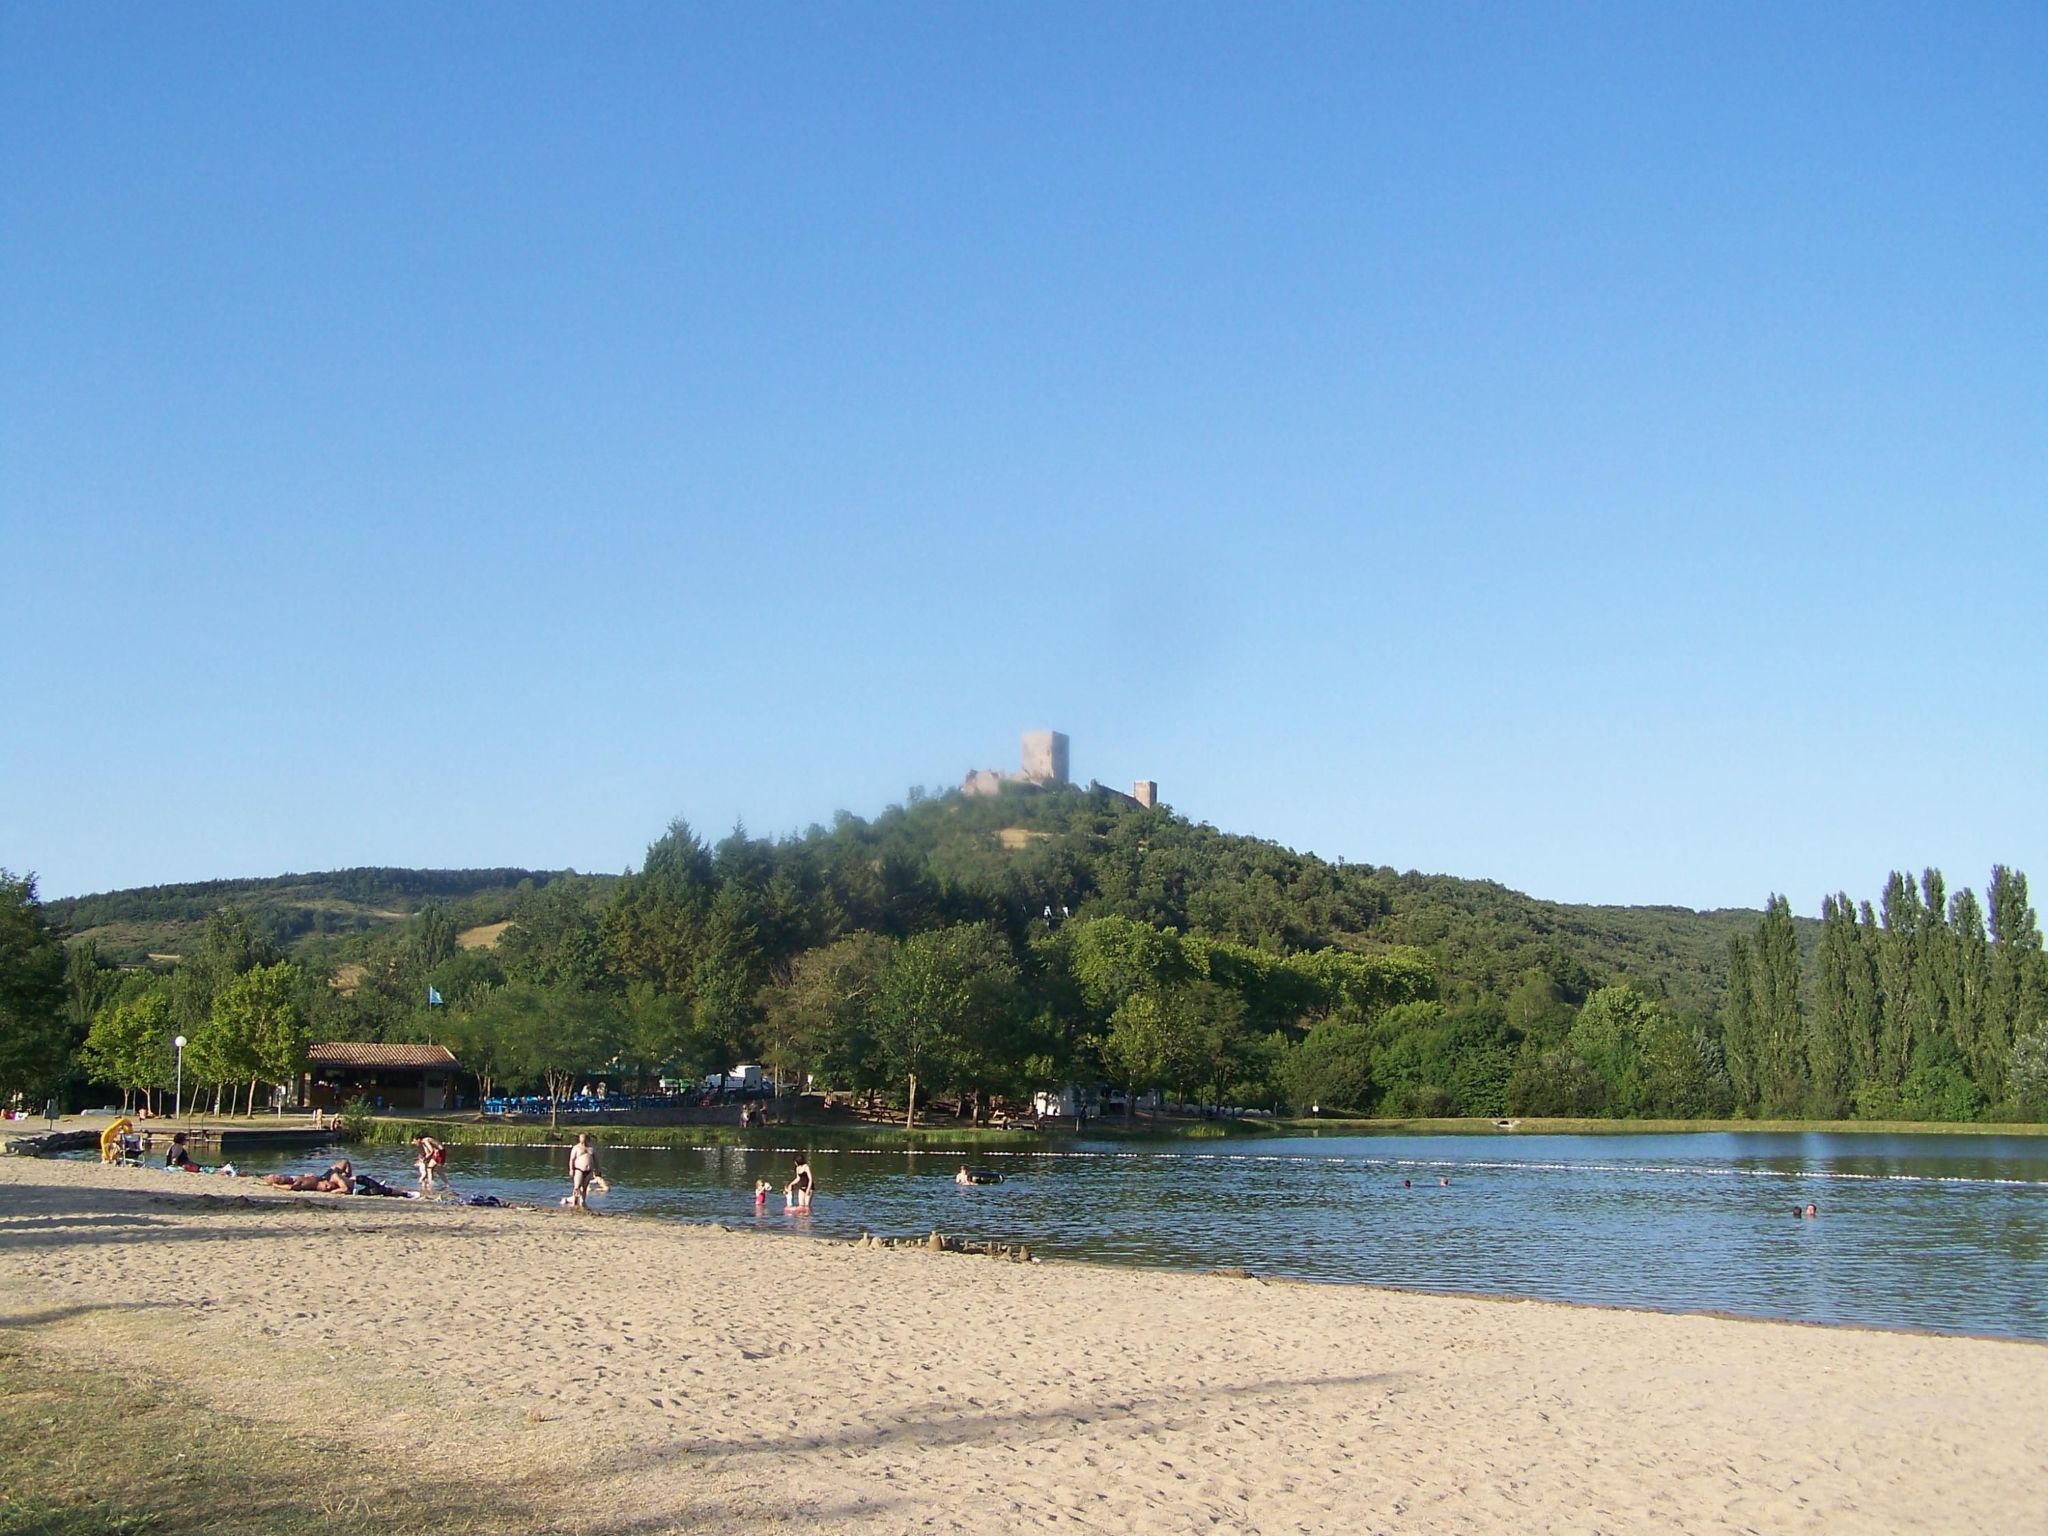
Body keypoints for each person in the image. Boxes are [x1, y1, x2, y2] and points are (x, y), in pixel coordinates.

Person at [568, 1134, 601, 1209]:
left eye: (585, 1138)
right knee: (577, 1187)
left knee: (585, 1187)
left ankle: (583, 1202)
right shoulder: (576, 1148)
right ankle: (575, 1201)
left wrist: (598, 1169)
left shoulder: (591, 1148)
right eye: (582, 1138)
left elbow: (596, 1160)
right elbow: (571, 1159)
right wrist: (571, 1169)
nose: (583, 1140)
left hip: (589, 1170)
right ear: (579, 1139)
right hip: (579, 1169)